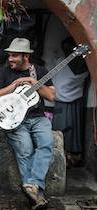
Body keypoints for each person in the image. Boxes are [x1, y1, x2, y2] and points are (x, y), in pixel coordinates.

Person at [0, 38, 55, 210]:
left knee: (46, 144)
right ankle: (37, 195)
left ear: (25, 56)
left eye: (14, 55)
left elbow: (51, 96)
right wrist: (13, 85)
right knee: (25, 150)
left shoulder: (40, 71)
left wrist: (35, 83)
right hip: (15, 120)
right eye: (9, 55)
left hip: (38, 117)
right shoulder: (4, 73)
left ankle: (33, 186)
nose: (10, 58)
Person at [52, 37, 89, 168]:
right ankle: (68, 155)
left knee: (63, 130)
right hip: (73, 101)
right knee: (68, 131)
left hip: (59, 101)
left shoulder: (61, 61)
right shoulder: (82, 64)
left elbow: (58, 81)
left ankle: (66, 156)